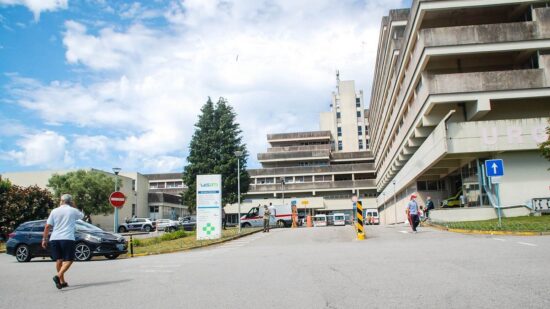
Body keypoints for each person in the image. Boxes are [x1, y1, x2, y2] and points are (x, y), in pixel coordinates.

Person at [42, 194, 84, 289]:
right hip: (67, 238)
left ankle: (61, 281)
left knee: (59, 259)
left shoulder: (54, 211)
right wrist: (74, 206)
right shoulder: (73, 210)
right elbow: (82, 216)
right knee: (69, 259)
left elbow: (48, 226)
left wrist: (44, 239)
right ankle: (58, 276)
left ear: (61, 201)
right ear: (70, 202)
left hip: (54, 238)